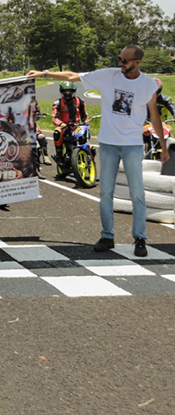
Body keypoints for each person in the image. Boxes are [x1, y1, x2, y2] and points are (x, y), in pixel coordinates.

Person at [28, 45, 169, 257]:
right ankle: (107, 236)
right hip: (108, 144)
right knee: (105, 192)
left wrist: (164, 148)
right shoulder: (109, 76)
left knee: (137, 193)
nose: (120, 63)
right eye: (119, 59)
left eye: (124, 60)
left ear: (137, 62)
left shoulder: (147, 84)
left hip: (132, 145)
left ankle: (140, 238)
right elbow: (73, 76)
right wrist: (43, 74)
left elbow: (154, 117)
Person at [51, 81, 88, 164]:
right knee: (57, 132)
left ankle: (90, 155)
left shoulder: (80, 101)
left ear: (74, 91)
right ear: (61, 91)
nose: (67, 93)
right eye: (65, 91)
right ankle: (59, 156)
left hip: (77, 126)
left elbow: (84, 115)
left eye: (70, 90)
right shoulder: (58, 103)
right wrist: (62, 124)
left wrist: (85, 122)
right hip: (65, 126)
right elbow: (55, 117)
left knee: (86, 133)